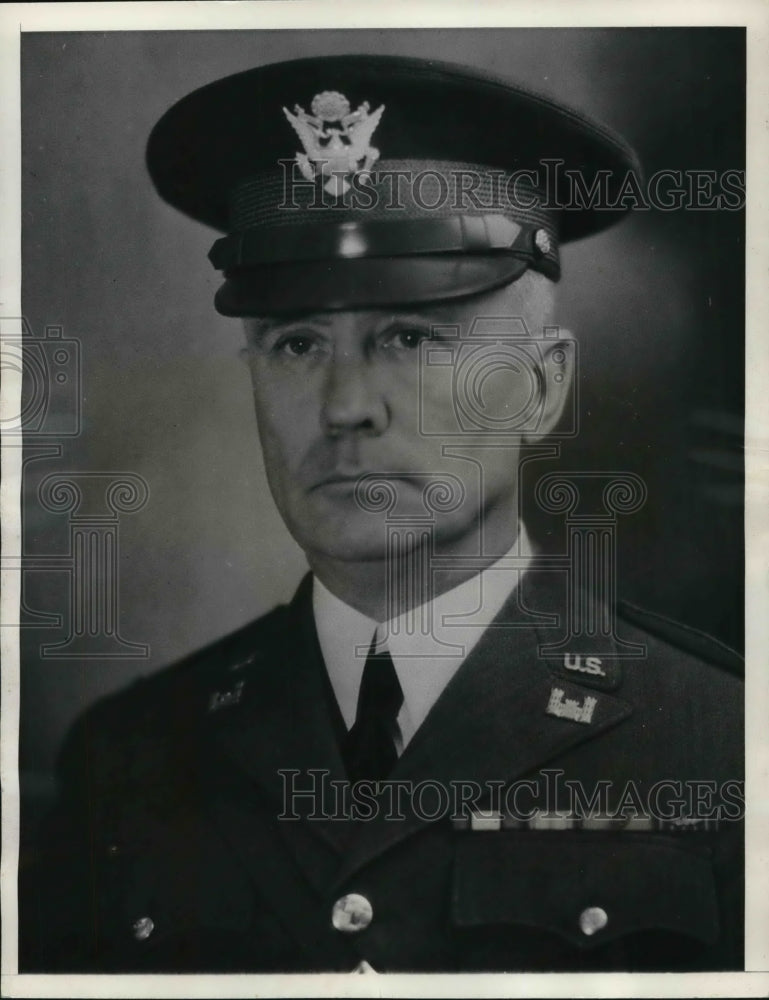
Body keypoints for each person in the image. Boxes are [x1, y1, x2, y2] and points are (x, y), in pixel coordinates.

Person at [19, 54, 743, 973]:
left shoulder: (718, 746)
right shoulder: (128, 759)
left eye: (408, 336)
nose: (344, 404)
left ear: (541, 387)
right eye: (296, 343)